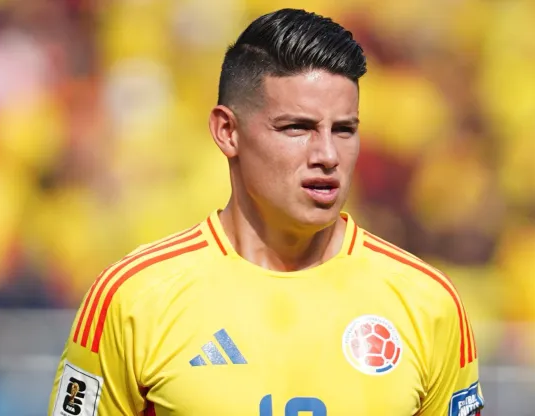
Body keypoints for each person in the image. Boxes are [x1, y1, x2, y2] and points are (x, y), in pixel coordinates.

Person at [49, 8, 483, 416]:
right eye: (297, 128)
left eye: (344, 130)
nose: (328, 155)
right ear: (227, 132)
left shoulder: (428, 304)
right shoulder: (134, 299)